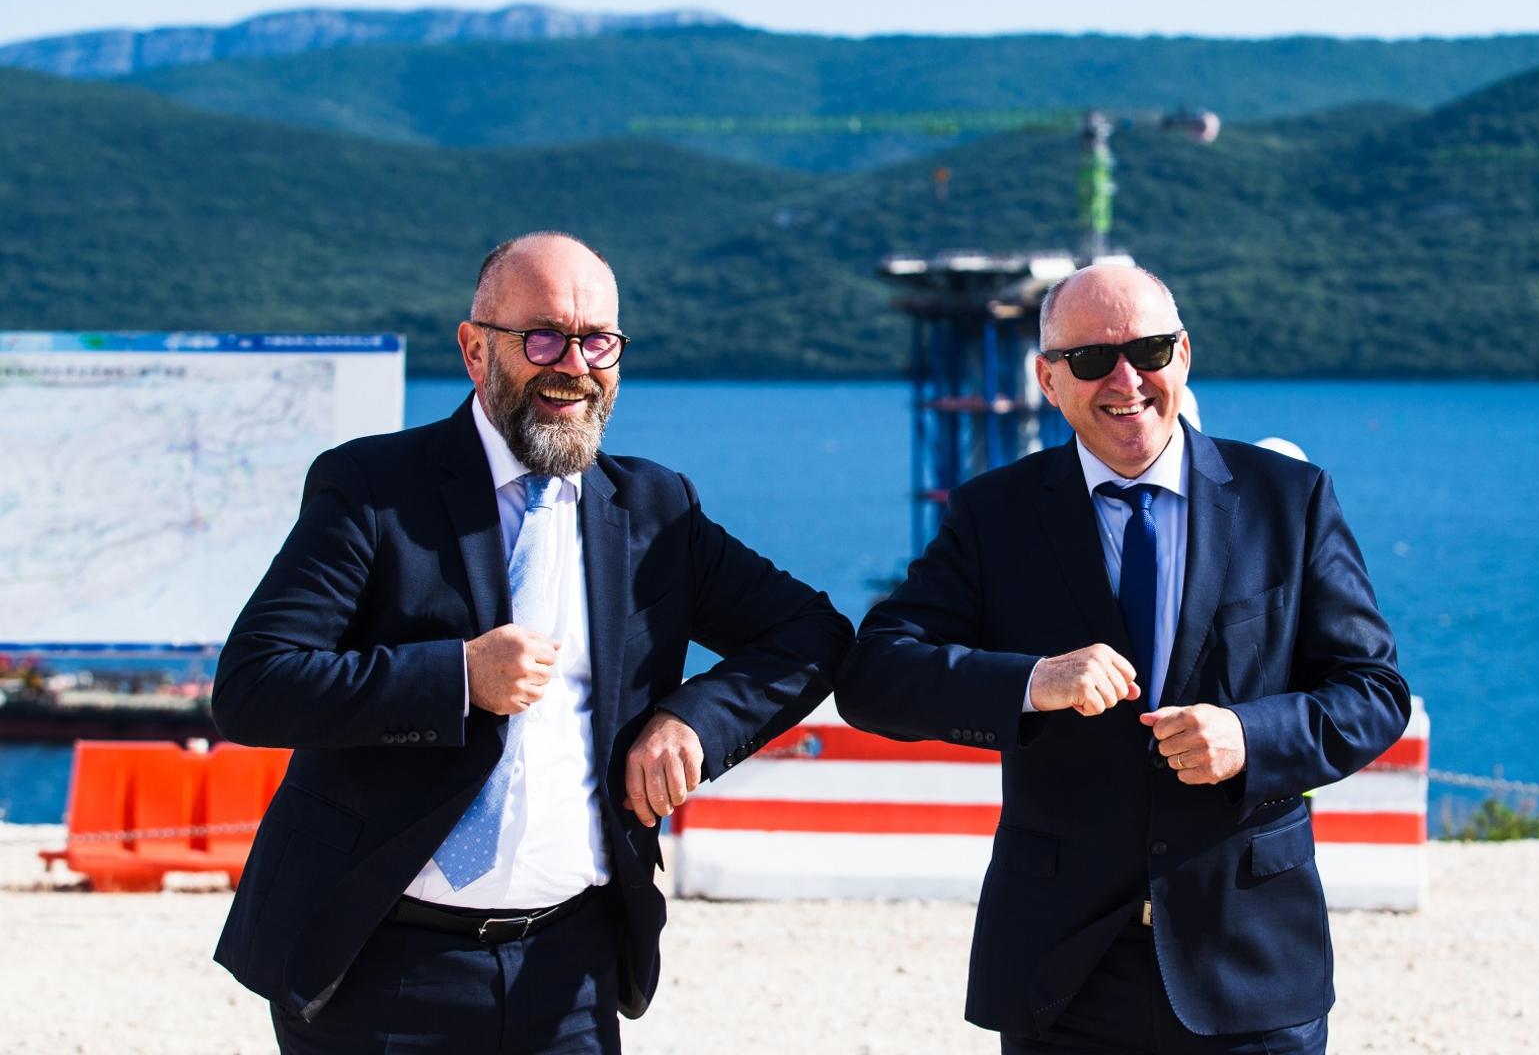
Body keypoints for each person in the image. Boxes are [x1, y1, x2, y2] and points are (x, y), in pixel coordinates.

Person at [211, 231, 853, 1053]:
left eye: (598, 342)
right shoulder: (372, 488)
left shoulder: (657, 510)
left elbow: (811, 634)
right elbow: (256, 686)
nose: (574, 366)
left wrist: (692, 720)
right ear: (475, 349)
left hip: (571, 969)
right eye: (543, 337)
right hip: (379, 965)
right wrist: (456, 677)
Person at [836, 264, 1410, 1053]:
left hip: (1249, 961)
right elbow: (875, 675)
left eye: (1148, 350)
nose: (1126, 379)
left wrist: (1249, 738)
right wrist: (1031, 682)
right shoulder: (993, 515)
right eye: (1091, 359)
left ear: (1184, 355)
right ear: (1048, 380)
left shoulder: (1290, 499)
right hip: (1063, 975)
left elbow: (1374, 692)